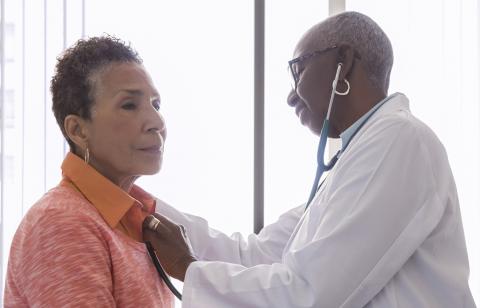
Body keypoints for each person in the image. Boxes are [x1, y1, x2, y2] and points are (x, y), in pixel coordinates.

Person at [143, 11, 476, 307]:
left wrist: (189, 268)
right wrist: (137, 203)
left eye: (298, 70)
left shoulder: (398, 139)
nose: (290, 96)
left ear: (342, 63)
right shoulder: (355, 162)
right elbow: (253, 256)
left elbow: (312, 294)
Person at [4, 36, 174, 307]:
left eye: (156, 105)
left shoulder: (132, 220)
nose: (156, 122)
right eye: (129, 105)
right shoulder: (61, 223)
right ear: (78, 130)